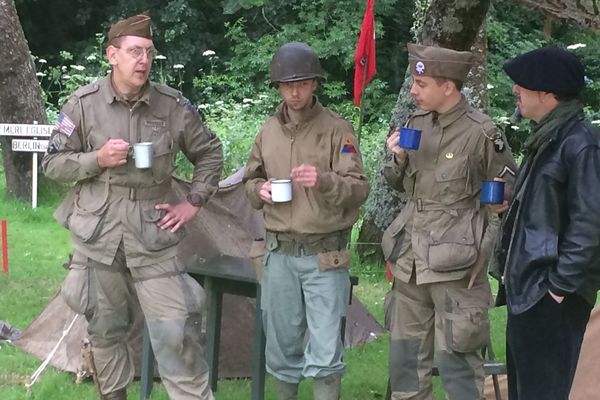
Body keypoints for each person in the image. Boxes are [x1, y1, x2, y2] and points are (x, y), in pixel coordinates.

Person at [42, 13, 222, 400]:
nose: (143, 61)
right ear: (112, 55)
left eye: (149, 53)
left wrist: (193, 202)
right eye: (135, 51)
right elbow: (52, 162)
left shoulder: (172, 105)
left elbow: (210, 153)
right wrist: (96, 159)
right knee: (106, 332)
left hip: (153, 237)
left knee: (177, 331)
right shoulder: (83, 104)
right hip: (98, 237)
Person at [381, 43, 517, 400]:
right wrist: (395, 158)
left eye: (421, 84)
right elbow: (400, 182)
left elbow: (505, 194)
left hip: (457, 264)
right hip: (409, 259)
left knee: (458, 365)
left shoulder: (482, 133)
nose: (413, 91)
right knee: (406, 364)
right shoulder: (416, 124)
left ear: (448, 87)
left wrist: (484, 249)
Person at [243, 42, 369, 400]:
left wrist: (324, 180)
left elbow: (360, 188)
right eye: (287, 85)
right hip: (279, 255)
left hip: (324, 257)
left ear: (315, 83)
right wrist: (259, 190)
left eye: (302, 83)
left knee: (326, 351)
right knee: (282, 349)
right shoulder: (267, 131)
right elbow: (249, 181)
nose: (295, 91)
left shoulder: (337, 130)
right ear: (278, 88)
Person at [493, 47, 600, 400]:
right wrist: (516, 206)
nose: (515, 90)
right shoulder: (548, 137)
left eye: (522, 84)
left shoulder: (580, 143)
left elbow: (590, 224)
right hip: (529, 291)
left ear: (548, 93)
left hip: (550, 295)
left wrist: (557, 288)